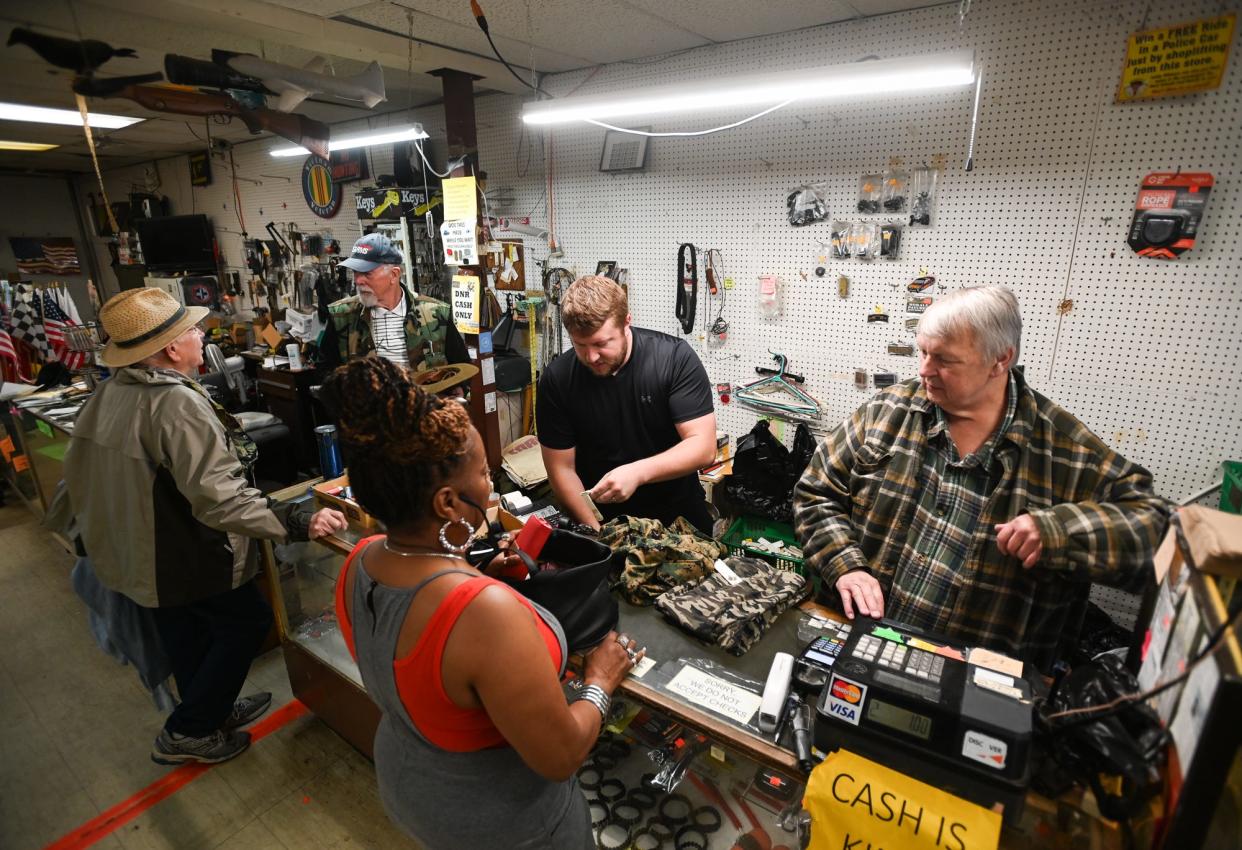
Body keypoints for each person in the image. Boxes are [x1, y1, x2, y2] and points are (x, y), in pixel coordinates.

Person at [322, 357, 638, 850]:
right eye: (486, 475)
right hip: (508, 826)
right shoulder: (482, 611)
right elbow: (561, 756)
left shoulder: (360, 562)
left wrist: (471, 572)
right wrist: (599, 682)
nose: (492, 486)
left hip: (414, 790)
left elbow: (427, 675)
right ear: (448, 504)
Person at [793, 286, 1167, 672]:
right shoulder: (886, 412)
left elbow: (1160, 531)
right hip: (860, 650)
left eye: (945, 360)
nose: (923, 369)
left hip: (978, 682)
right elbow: (816, 492)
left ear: (1000, 359)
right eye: (922, 351)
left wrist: (1062, 530)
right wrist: (846, 564)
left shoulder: (1064, 453)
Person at [64, 288, 348, 765]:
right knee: (247, 622)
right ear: (172, 349)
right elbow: (220, 499)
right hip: (181, 549)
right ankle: (190, 729)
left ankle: (208, 708)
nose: (201, 335)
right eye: (193, 330)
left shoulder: (113, 391)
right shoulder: (174, 405)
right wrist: (296, 520)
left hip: (139, 549)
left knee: (187, 633)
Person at [537, 275, 717, 533]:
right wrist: (598, 533)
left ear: (626, 323)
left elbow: (703, 446)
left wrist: (638, 473)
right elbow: (561, 469)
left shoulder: (674, 359)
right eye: (580, 345)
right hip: (602, 518)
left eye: (601, 343)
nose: (591, 356)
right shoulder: (558, 378)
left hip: (678, 517)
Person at [319, 232, 470, 373]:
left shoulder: (435, 314)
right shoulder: (341, 317)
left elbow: (462, 366)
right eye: (356, 272)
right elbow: (324, 374)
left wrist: (457, 389)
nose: (358, 280)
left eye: (366, 273)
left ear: (394, 274)